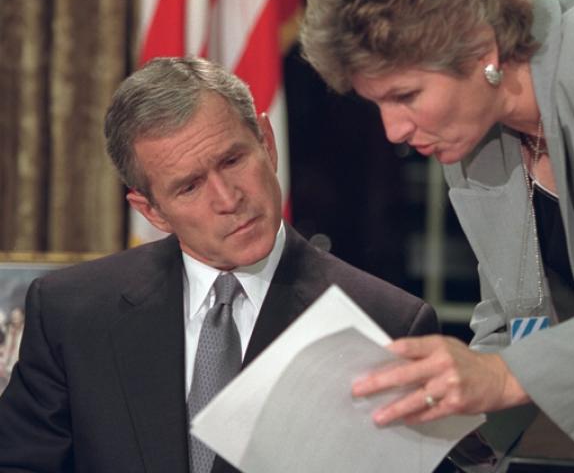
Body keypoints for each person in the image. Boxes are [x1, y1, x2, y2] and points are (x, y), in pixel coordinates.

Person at [0, 57, 439, 473]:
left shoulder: (385, 324)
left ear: (266, 143)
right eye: (190, 186)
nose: (229, 199)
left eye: (232, 160)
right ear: (152, 211)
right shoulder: (71, 313)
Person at [300, 0, 574, 471]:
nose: (393, 130)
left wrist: (501, 377)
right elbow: (516, 319)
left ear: (483, 49)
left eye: (405, 95)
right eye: (377, 102)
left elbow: (513, 368)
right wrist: (440, 410)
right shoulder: (472, 129)